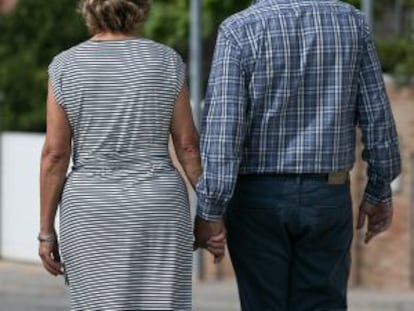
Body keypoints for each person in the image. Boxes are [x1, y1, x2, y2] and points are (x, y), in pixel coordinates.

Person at [194, 0, 401, 310]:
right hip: (328, 193)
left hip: (257, 198)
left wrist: (210, 210)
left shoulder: (239, 30)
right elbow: (376, 115)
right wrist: (379, 189)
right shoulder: (352, 23)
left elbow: (225, 128)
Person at [38, 0, 223, 309]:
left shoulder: (64, 66)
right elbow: (188, 146)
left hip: (91, 211)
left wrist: (46, 232)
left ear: (87, 8)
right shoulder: (166, 60)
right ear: (141, 7)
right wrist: (212, 215)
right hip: (158, 207)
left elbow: (55, 155)